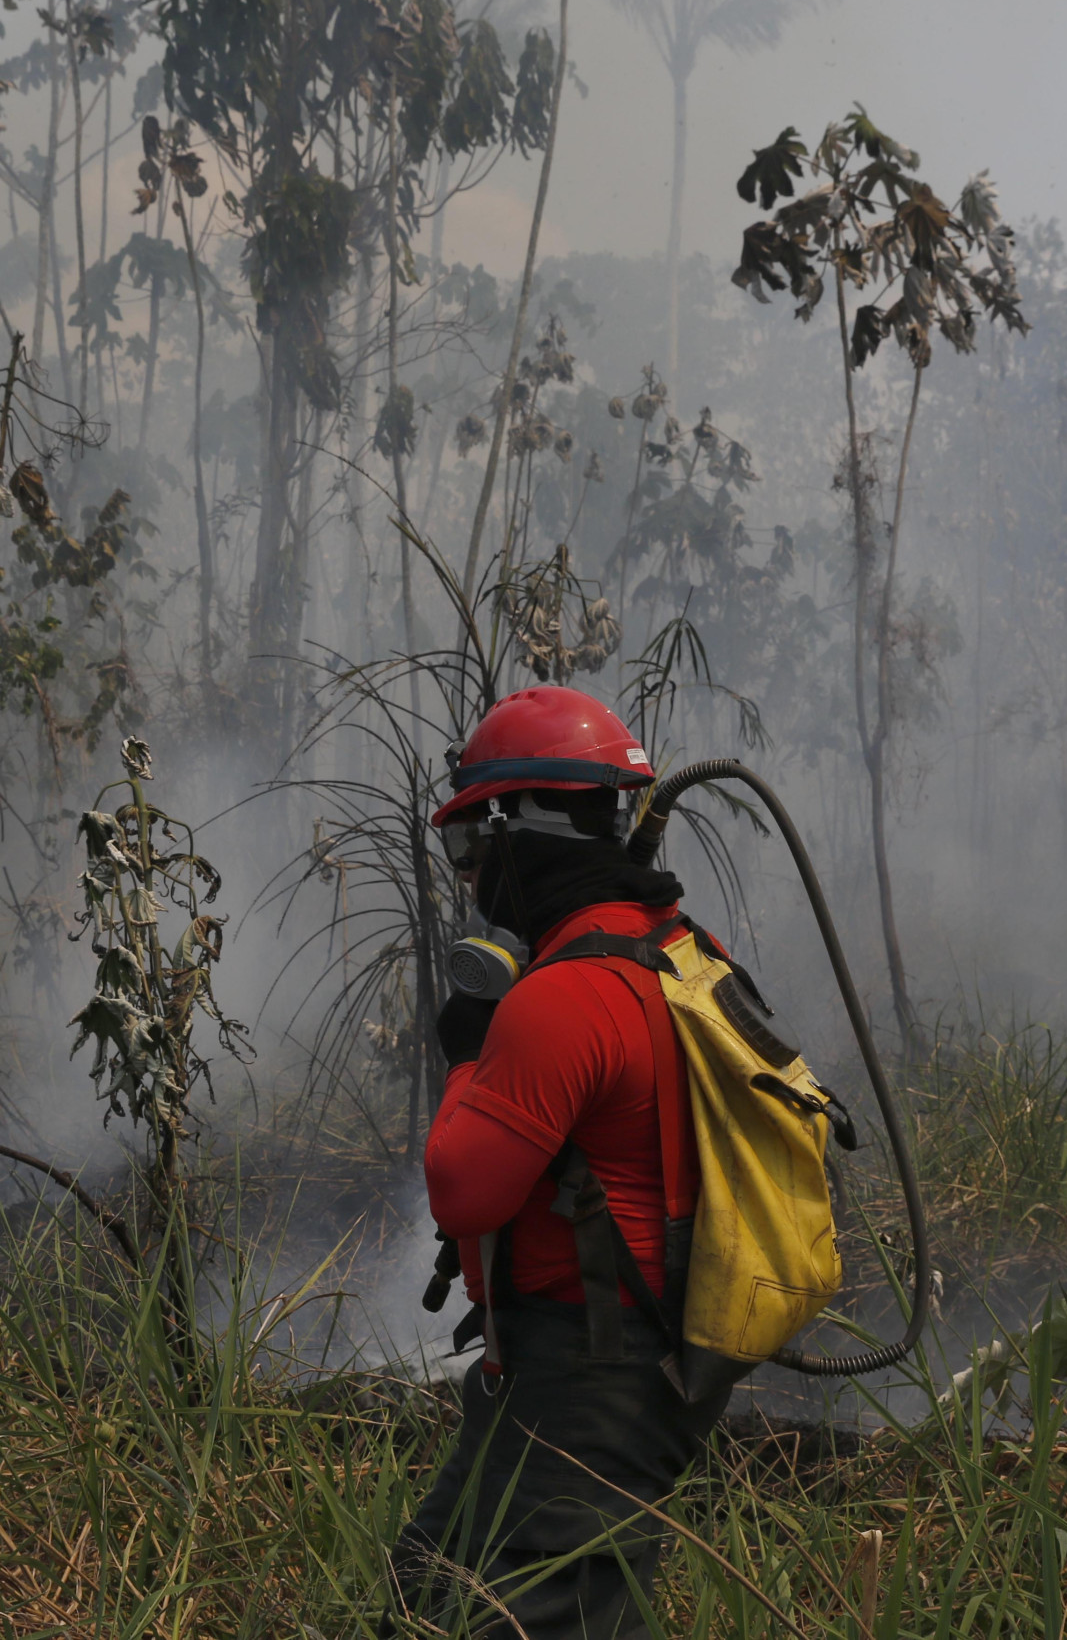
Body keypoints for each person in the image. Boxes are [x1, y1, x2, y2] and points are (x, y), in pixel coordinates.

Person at [387, 685, 727, 1640]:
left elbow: (462, 1189)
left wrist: (467, 1055)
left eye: (469, 849)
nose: (468, 879)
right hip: (630, 1354)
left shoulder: (563, 997)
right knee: (429, 1584)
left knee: (534, 1618)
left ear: (515, 830)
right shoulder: (685, 955)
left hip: (592, 1375)